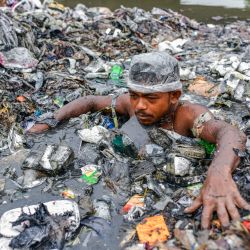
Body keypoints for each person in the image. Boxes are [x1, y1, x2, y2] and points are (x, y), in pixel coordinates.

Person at [28, 52, 249, 229]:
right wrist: (51, 121)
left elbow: (230, 133)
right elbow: (91, 101)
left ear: (174, 96)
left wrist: (218, 171)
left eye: (151, 98)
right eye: (135, 95)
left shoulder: (188, 116)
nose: (140, 105)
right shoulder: (131, 105)